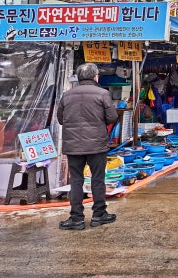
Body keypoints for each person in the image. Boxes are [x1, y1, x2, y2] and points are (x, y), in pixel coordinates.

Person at [57, 63, 118, 230]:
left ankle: (76, 218)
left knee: (76, 181)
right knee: (98, 179)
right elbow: (112, 117)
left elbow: (61, 119)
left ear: (78, 78)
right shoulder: (102, 93)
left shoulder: (67, 95)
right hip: (97, 145)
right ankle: (99, 215)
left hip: (73, 146)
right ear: (95, 77)